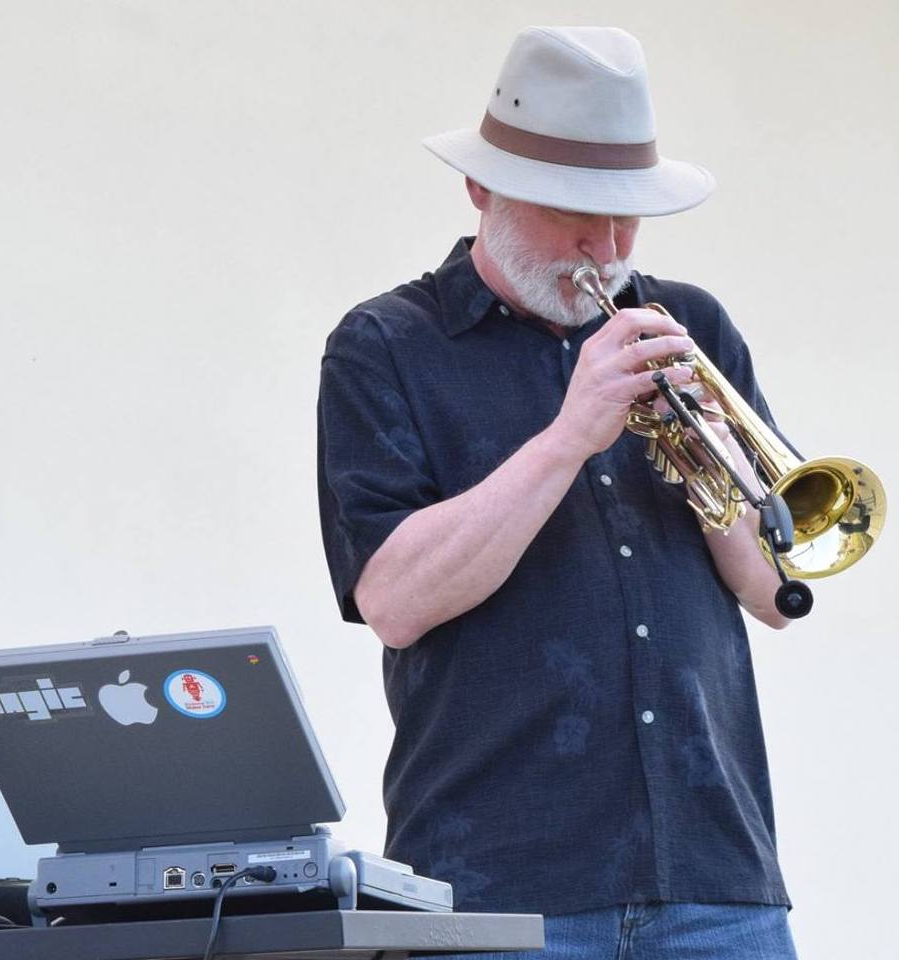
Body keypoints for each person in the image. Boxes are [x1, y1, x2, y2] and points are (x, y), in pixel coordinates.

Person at [318, 26, 798, 959]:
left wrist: (716, 460)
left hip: (717, 878)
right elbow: (395, 601)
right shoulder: (385, 346)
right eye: (574, 214)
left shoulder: (688, 326)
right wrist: (571, 435)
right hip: (498, 885)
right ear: (481, 188)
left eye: (627, 218)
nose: (606, 247)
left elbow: (776, 594)